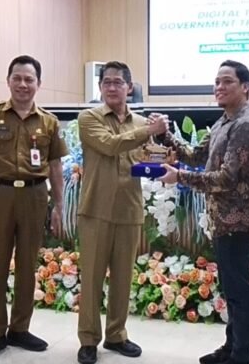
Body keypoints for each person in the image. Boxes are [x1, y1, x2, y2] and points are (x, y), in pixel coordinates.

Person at [158, 60, 249, 364]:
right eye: (217, 82)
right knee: (231, 288)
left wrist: (179, 177)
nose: (219, 87)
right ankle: (232, 347)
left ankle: (243, 355)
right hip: (222, 219)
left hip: (237, 220)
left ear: (245, 87)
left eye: (227, 81)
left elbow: (227, 179)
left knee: (240, 291)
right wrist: (165, 135)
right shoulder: (224, 121)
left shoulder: (245, 125)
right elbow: (196, 155)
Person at [0, 55, 68, 362]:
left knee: (27, 266)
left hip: (34, 196)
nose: (23, 84)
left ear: (38, 84)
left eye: (29, 79)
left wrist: (59, 204)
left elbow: (56, 167)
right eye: (17, 78)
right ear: (8, 81)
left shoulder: (48, 122)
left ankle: (20, 329)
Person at [76, 61, 169, 364]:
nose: (112, 87)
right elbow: (109, 145)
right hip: (96, 209)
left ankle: (116, 335)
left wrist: (163, 143)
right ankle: (88, 340)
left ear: (130, 87)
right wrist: (149, 131)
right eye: (107, 82)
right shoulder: (89, 118)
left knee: (123, 278)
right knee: (91, 278)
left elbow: (149, 159)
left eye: (118, 82)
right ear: (100, 87)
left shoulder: (141, 122)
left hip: (129, 208)